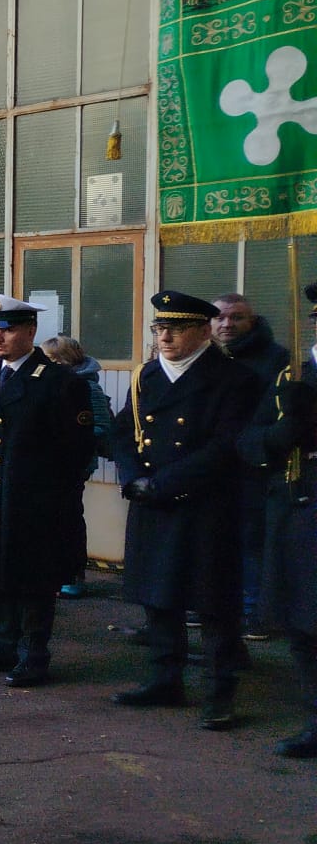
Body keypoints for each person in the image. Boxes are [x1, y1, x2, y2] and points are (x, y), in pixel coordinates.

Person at [110, 290, 263, 728]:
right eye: (160, 329)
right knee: (159, 598)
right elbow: (125, 433)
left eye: (175, 329)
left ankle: (220, 692)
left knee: (213, 602)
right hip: (153, 504)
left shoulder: (234, 379)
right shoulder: (146, 378)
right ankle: (165, 679)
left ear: (202, 332)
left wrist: (162, 483)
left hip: (206, 506)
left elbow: (226, 446)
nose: (165, 337)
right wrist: (131, 477)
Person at [0, 296, 95, 687]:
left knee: (34, 579)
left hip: (34, 499)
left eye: (9, 329)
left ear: (30, 332)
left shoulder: (58, 381)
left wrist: (55, 496)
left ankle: (34, 653)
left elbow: (77, 448)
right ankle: (1, 643)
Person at [237, 283, 317, 757]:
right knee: (306, 630)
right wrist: (284, 430)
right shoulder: (294, 377)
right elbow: (249, 443)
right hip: (301, 518)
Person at [212, 293, 293, 636]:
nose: (228, 324)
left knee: (252, 540)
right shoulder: (206, 356)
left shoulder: (277, 359)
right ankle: (211, 607)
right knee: (214, 538)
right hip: (212, 465)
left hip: (254, 466)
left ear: (253, 321)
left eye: (237, 318)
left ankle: (255, 612)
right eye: (220, 318)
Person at [41, 335, 114, 599]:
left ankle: (73, 574)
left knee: (69, 518)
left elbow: (100, 426)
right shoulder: (50, 382)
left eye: (48, 358)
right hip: (50, 463)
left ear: (62, 360)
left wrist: (63, 436)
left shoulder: (86, 387)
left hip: (74, 463)